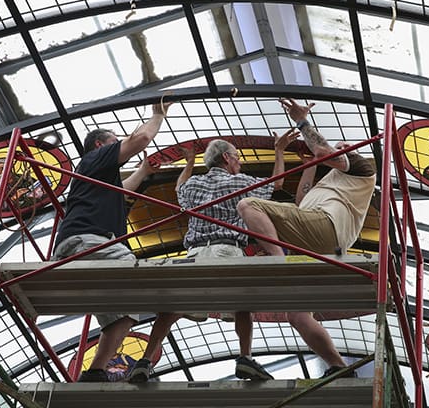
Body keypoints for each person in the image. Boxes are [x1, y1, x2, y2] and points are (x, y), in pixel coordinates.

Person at [128, 130, 299, 383]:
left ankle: (144, 361)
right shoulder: (240, 181)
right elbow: (276, 185)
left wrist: (188, 163)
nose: (239, 162)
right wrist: (279, 150)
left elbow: (179, 187)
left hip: (195, 253)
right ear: (227, 158)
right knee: (243, 304)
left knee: (171, 308)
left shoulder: (194, 184)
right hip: (227, 250)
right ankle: (245, 359)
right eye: (237, 157)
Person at [237, 97, 376, 378]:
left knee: (247, 205)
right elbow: (301, 202)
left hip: (326, 228)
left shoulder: (362, 166)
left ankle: (279, 263)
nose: (338, 150)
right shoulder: (331, 181)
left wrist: (301, 121)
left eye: (341, 149)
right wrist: (311, 164)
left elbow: (326, 149)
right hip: (318, 243)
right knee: (297, 315)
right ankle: (338, 366)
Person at [52, 102, 171, 383]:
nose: (120, 145)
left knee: (125, 315)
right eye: (115, 141)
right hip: (87, 242)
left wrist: (143, 172)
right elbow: (140, 139)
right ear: (99, 145)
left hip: (86, 248)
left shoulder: (98, 177)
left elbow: (119, 192)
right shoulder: (94, 159)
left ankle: (94, 372)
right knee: (142, 274)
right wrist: (158, 115)